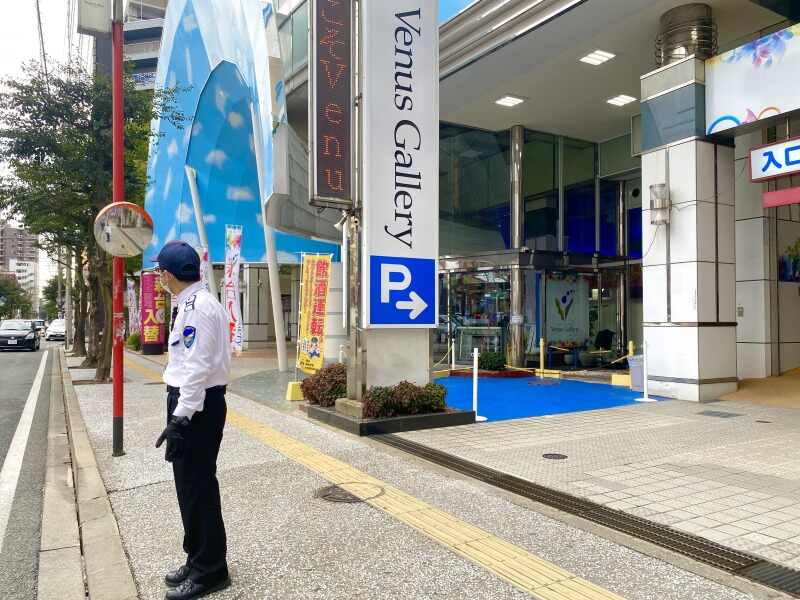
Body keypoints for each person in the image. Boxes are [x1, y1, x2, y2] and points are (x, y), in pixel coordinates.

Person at [153, 241, 232, 600]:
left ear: (169, 275)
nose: (160, 279)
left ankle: (210, 570)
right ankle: (197, 557)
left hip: (196, 407)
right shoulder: (192, 302)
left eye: (160, 273)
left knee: (197, 487)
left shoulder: (198, 308)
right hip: (194, 404)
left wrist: (180, 418)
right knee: (190, 487)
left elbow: (197, 369)